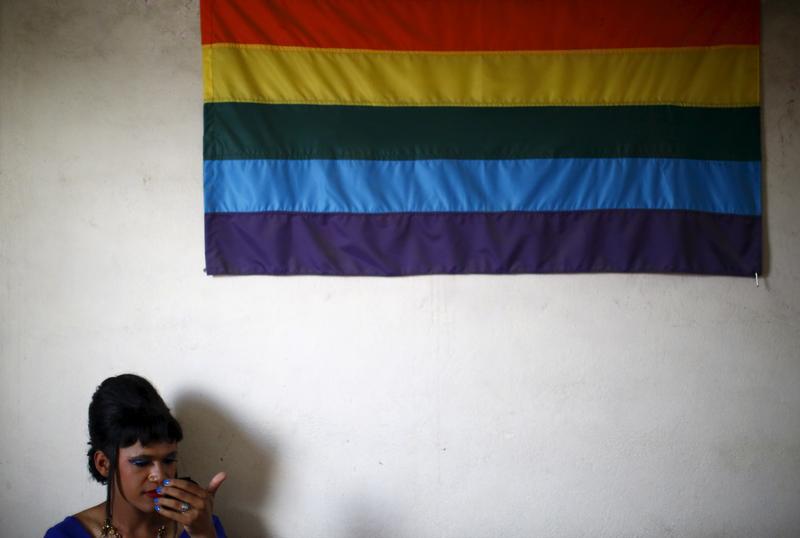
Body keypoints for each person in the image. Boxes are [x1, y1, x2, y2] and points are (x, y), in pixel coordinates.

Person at [45, 374, 227, 537]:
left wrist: (203, 533)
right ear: (103, 464)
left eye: (169, 460)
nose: (160, 475)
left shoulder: (198, 525)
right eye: (141, 462)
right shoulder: (67, 535)